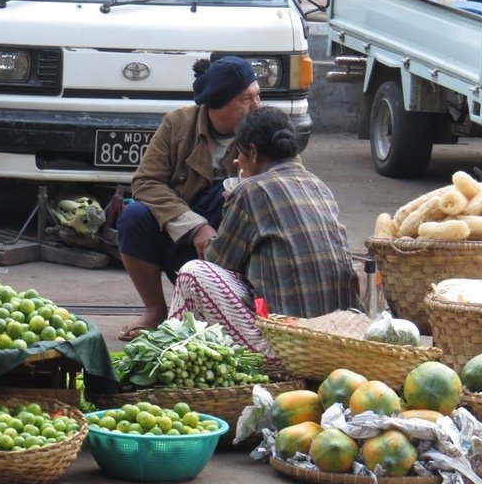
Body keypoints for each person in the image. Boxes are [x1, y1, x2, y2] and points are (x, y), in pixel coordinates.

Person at [167, 105, 361, 363]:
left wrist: (233, 195)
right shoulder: (319, 186)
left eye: (240, 155)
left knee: (193, 273)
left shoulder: (253, 190)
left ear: (253, 153)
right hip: (339, 338)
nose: (239, 161)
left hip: (291, 347)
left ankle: (173, 353)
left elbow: (216, 260)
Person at [116, 56, 261, 341]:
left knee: (225, 195)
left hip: (235, 239)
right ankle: (156, 311)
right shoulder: (178, 123)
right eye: (246, 99)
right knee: (133, 217)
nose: (256, 105)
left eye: (258, 95)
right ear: (217, 106)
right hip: (182, 233)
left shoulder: (264, 126)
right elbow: (145, 181)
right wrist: (194, 225)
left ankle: (239, 311)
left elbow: (287, 180)